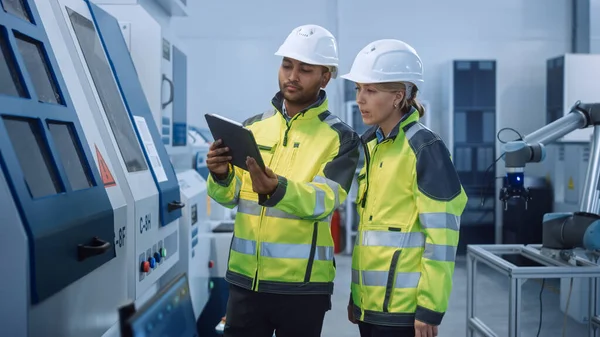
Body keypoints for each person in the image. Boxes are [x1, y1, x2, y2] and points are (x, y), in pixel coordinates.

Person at [205, 24, 361, 337]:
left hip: (302, 288)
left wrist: (278, 190)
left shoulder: (341, 138)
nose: (292, 76)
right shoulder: (253, 127)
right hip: (245, 281)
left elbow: (325, 200)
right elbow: (230, 196)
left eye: (305, 69)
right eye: (287, 65)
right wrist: (220, 175)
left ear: (325, 76)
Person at [340, 39, 468, 337]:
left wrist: (430, 308)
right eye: (358, 88)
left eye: (370, 90)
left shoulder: (425, 147)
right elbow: (372, 234)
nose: (360, 99)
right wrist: (357, 297)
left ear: (398, 96)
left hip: (405, 311)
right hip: (370, 306)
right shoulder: (373, 144)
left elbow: (443, 235)